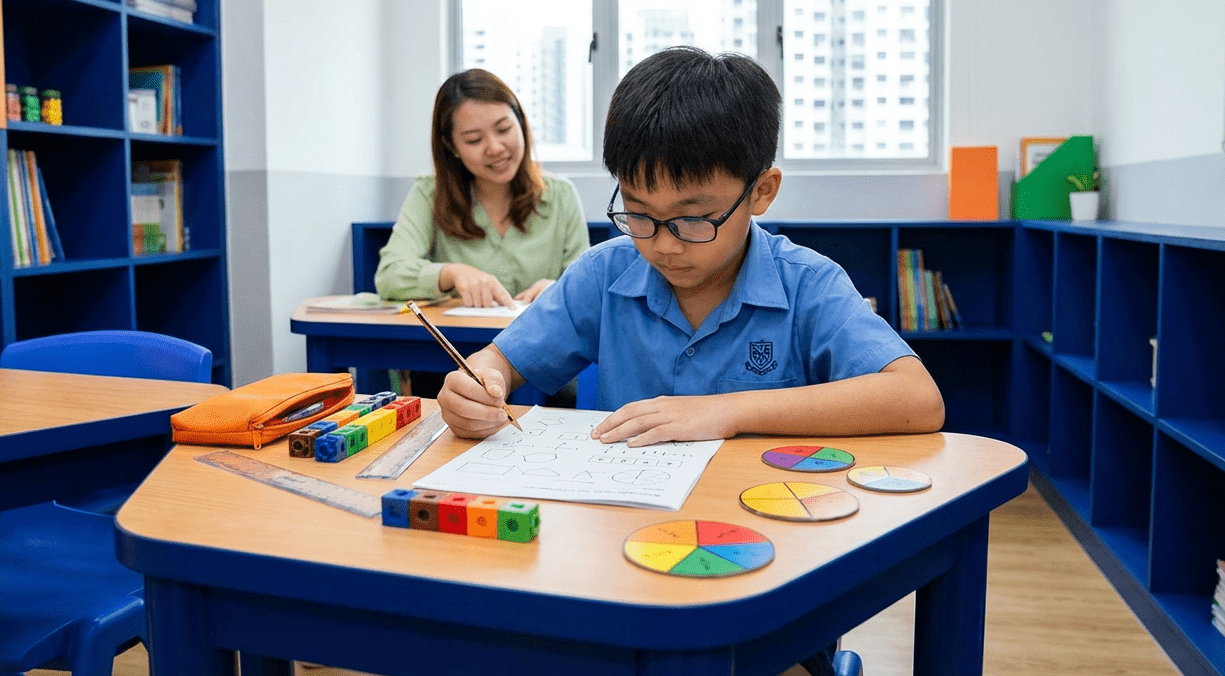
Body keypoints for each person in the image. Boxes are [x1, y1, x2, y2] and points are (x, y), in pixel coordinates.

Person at [437, 46, 945, 447]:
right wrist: (478, 384)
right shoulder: (604, 274)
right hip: (626, 520)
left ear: (761, 192)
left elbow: (918, 398)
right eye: (639, 214)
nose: (663, 245)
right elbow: (500, 361)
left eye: (693, 219)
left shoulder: (807, 284)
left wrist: (728, 411)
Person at [375, 68, 590, 401]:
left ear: (521, 123)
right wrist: (451, 273)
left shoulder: (560, 195)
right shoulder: (430, 193)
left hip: (544, 369)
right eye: (474, 140)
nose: (495, 148)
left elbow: (586, 287)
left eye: (504, 129)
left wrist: (557, 290)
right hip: (452, 367)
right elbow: (390, 273)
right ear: (452, 146)